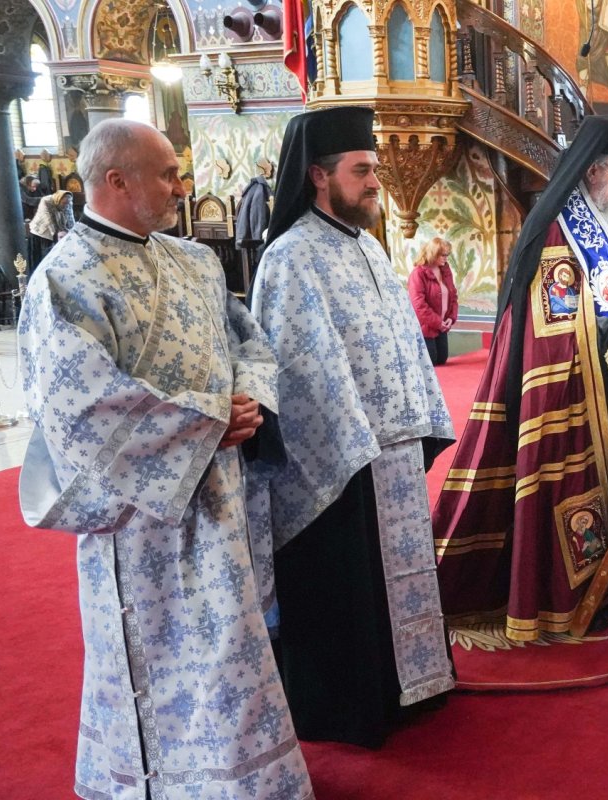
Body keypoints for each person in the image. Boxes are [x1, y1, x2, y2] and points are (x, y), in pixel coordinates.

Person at [16, 119, 312, 799]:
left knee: (231, 647)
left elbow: (251, 346)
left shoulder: (197, 261)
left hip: (220, 497)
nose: (183, 187)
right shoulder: (63, 280)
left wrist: (248, 403)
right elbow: (79, 405)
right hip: (139, 519)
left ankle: (248, 783)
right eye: (168, 174)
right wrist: (210, 419)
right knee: (161, 655)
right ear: (115, 181)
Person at [250, 106, 457, 749]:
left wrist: (420, 418)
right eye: (362, 170)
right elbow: (299, 367)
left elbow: (401, 343)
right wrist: (354, 441)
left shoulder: (368, 245)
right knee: (346, 584)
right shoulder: (290, 258)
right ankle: (349, 704)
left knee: (396, 576)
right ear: (318, 175)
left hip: (389, 450)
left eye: (374, 170)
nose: (375, 183)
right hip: (338, 461)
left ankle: (409, 684)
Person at [433, 115, 608, 642]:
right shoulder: (558, 229)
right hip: (576, 387)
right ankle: (559, 593)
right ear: (593, 171)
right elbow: (559, 323)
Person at [407, 235, 459, 366]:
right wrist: (438, 323)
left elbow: (453, 296)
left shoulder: (445, 270)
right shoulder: (418, 273)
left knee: (442, 359)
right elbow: (418, 305)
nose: (446, 258)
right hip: (426, 327)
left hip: (441, 325)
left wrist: (451, 318)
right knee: (432, 362)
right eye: (443, 255)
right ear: (433, 254)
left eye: (447, 254)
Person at [27, 190, 75, 271]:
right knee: (43, 257)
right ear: (58, 199)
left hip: (57, 230)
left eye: (68, 203)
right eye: (63, 203)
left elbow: (70, 217)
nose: (66, 206)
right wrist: (57, 234)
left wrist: (73, 232)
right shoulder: (46, 201)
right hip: (41, 232)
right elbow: (48, 220)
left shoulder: (68, 202)